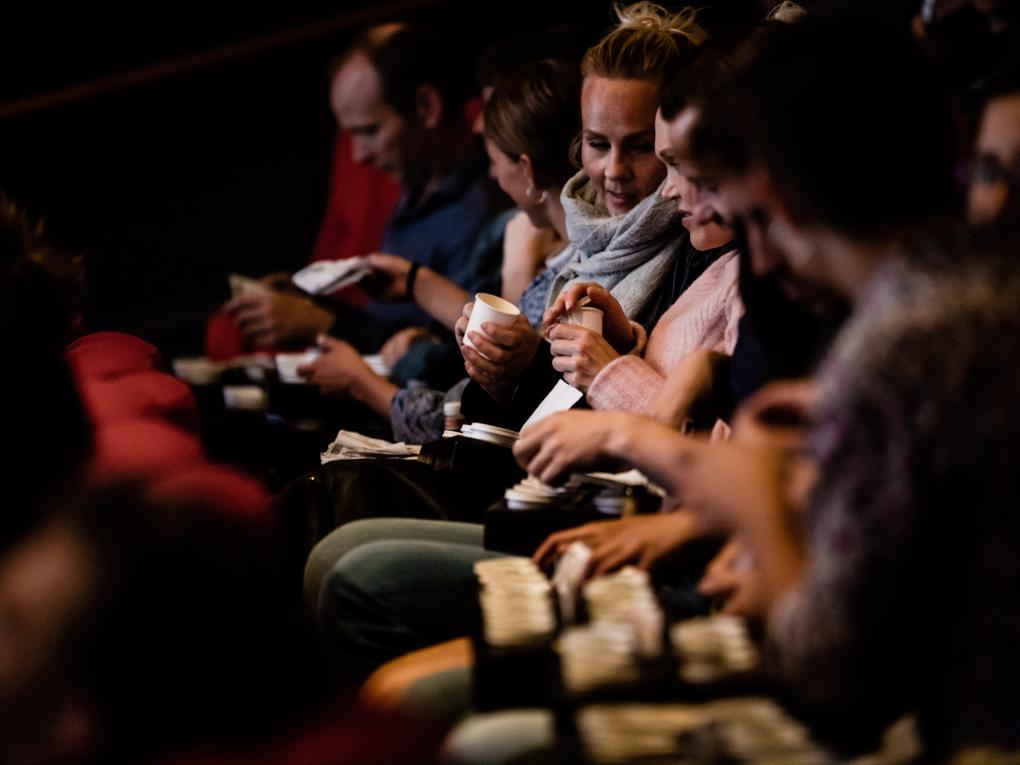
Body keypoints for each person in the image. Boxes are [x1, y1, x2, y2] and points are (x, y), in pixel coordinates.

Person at [298, 58, 583, 440]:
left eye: (492, 155)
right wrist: (414, 284)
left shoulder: (529, 243)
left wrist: (360, 380)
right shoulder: (536, 243)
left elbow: (474, 414)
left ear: (527, 169)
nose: (490, 171)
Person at [224, 23, 501, 375]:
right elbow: (389, 323)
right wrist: (306, 303)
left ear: (426, 107)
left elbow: (444, 359)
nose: (358, 156)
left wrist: (321, 324)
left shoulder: (483, 216)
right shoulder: (417, 189)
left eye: (369, 131)